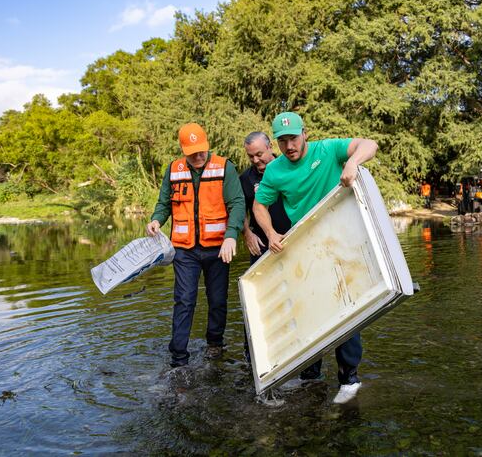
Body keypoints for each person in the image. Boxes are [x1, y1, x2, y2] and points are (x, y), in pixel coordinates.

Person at [253, 111, 377, 404]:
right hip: (305, 244)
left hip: (341, 236)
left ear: (304, 133)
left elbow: (369, 144)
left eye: (293, 138)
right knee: (308, 307)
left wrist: (352, 161)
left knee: (345, 304)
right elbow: (259, 206)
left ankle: (349, 379)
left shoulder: (328, 149)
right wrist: (270, 233)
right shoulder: (275, 171)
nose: (289, 146)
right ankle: (312, 377)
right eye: (282, 141)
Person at [146, 123, 245, 367]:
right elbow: (164, 204)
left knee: (218, 299)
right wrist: (156, 220)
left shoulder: (225, 167)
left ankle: (215, 344)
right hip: (184, 249)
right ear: (183, 150)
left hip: (218, 247)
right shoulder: (173, 169)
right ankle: (179, 356)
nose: (198, 156)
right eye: (192, 153)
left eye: (201, 150)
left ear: (207, 144)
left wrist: (231, 235)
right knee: (184, 299)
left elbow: (237, 203)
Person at [240, 132, 292, 265]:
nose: (255, 160)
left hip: (293, 235)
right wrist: (247, 234)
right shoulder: (245, 178)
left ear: (270, 147)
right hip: (262, 244)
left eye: (259, 154)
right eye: (250, 156)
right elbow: (239, 208)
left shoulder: (289, 167)